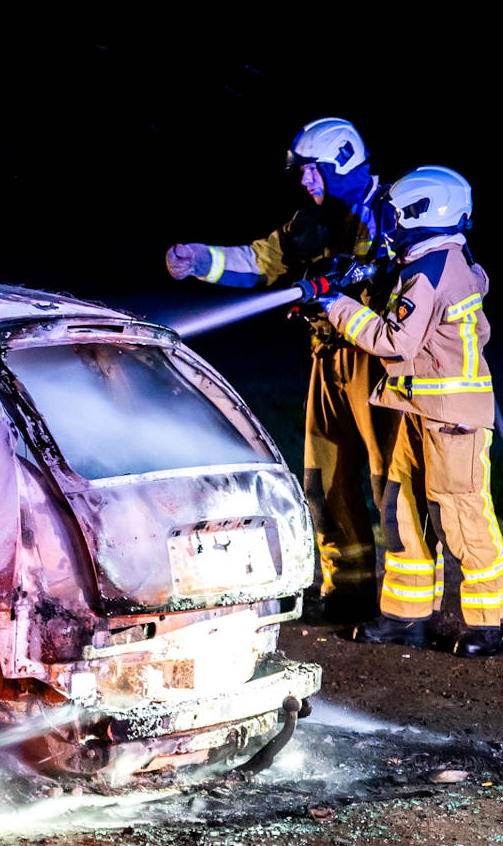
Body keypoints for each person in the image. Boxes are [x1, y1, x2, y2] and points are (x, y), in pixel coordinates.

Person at [165, 118, 398, 623]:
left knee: (390, 484)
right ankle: (348, 589)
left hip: (381, 363)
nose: (305, 183)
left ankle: (405, 608)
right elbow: (261, 260)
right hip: (329, 358)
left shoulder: (393, 213)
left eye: (312, 172)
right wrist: (200, 260)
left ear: (341, 163)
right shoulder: (313, 223)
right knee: (324, 477)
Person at [297, 165, 503, 657]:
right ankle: (404, 615)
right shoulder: (436, 261)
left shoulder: (431, 270)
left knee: (459, 515)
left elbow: (394, 341)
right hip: (419, 408)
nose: (390, 223)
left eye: (397, 215)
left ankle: (490, 620)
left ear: (424, 213)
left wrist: (335, 306)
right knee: (402, 507)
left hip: (452, 419)